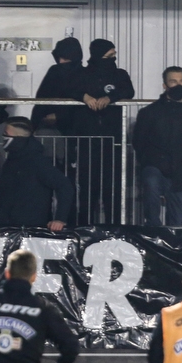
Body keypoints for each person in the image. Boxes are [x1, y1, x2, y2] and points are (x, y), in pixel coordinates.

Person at [133, 66, 182, 227]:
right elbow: (139, 142)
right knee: (151, 182)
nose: (178, 85)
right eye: (173, 81)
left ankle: (171, 244)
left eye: (181, 81)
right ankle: (153, 232)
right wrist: (152, 160)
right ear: (165, 85)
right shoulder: (150, 113)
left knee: (176, 223)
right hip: (158, 166)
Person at [68, 38, 135, 225]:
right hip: (87, 140)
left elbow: (128, 90)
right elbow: (69, 88)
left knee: (112, 188)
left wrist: (110, 98)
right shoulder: (81, 74)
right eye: (108, 56)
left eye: (113, 56)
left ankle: (113, 227)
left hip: (112, 139)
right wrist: (84, 96)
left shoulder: (119, 74)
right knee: (88, 187)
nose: (112, 59)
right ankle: (85, 226)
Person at [0, 117, 73, 230]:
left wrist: (60, 219)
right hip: (7, 226)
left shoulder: (37, 162)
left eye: (6, 134)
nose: (3, 137)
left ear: (18, 138)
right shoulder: (12, 160)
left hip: (31, 229)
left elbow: (64, 186)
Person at [31, 37, 85, 137]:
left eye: (65, 58)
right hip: (74, 127)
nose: (61, 62)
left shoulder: (56, 71)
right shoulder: (84, 73)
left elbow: (42, 98)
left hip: (54, 125)